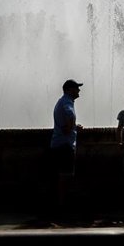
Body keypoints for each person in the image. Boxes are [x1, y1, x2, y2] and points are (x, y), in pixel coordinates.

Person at [50, 79, 83, 210]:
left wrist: (73, 126)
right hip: (65, 145)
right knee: (65, 176)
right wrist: (70, 127)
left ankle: (61, 203)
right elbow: (70, 114)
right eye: (76, 88)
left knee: (62, 176)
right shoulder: (66, 101)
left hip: (59, 144)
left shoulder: (63, 101)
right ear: (69, 90)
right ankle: (62, 205)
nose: (79, 90)